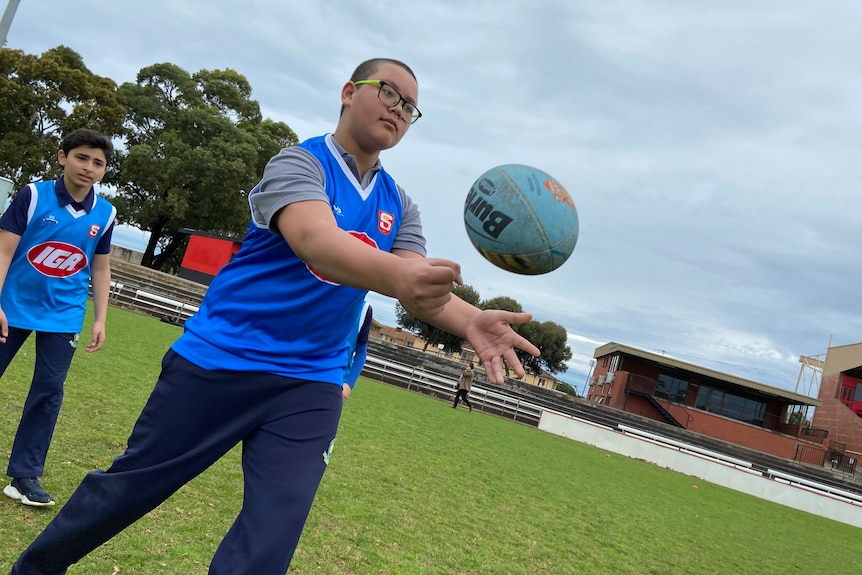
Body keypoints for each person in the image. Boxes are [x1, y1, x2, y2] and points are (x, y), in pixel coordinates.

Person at [8, 57, 539, 575]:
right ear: (349, 92)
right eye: (389, 92)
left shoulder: (400, 203)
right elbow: (315, 241)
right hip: (222, 360)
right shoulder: (299, 163)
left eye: (412, 108)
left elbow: (413, 279)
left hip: (312, 382)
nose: (400, 109)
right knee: (126, 492)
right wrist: (406, 279)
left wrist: (468, 319)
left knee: (274, 531)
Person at [0, 129, 116, 507]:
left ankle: (25, 475)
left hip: (64, 315)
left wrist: (100, 318)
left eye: (98, 162)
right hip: (12, 305)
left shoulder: (106, 212)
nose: (89, 167)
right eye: (82, 157)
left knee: (48, 392)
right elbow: (4, 251)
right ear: (63, 156)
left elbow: (100, 269)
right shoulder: (33, 195)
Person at [342, 301, 373, 402]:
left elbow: (361, 351)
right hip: (305, 374)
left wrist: (349, 384)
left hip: (338, 382)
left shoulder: (364, 309)